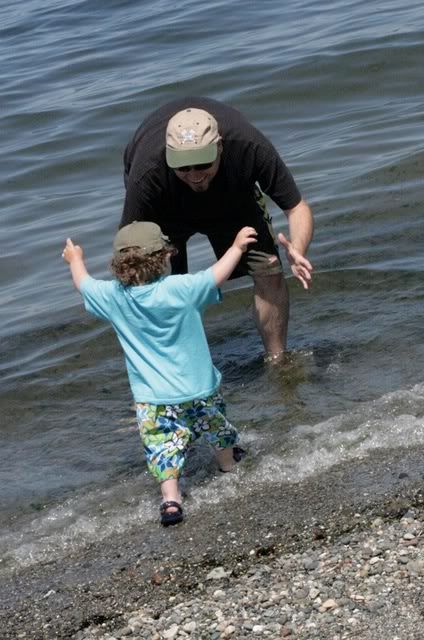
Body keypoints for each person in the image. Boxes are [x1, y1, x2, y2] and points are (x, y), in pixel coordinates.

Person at [62, 221, 257, 526]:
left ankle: (171, 501)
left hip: (152, 399)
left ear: (120, 265)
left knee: (162, 447)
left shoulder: (114, 297)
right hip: (199, 390)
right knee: (217, 429)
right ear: (164, 257)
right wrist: (236, 247)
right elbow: (216, 274)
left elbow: (83, 283)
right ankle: (229, 466)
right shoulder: (182, 288)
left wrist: (75, 260)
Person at [120, 96, 314, 362]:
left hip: (233, 198)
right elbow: (128, 246)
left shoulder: (248, 147)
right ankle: (175, 366)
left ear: (220, 146)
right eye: (183, 167)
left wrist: (298, 247)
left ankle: (278, 360)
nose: (195, 175)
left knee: (269, 270)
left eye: (203, 164)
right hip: (166, 210)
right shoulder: (147, 173)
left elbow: (296, 207)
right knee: (162, 290)